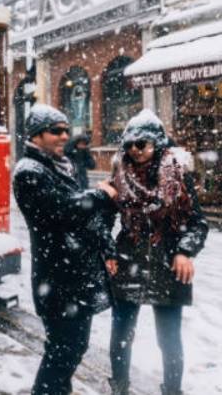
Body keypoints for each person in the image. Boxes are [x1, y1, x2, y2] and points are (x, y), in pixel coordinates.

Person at [13, 104, 118, 395]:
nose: (63, 136)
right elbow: (62, 210)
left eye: (65, 130)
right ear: (36, 136)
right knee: (63, 349)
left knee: (71, 347)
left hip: (73, 276)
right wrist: (99, 195)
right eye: (55, 131)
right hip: (57, 278)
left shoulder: (61, 166)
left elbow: (85, 218)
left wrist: (106, 247)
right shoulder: (29, 171)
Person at [106, 109, 208, 395]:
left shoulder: (178, 175)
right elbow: (102, 220)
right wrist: (108, 250)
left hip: (167, 262)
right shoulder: (119, 174)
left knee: (169, 339)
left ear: (157, 143)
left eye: (142, 144)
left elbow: (197, 223)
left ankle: (172, 391)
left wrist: (184, 251)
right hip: (129, 261)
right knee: (122, 335)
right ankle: (119, 388)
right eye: (129, 145)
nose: (135, 151)